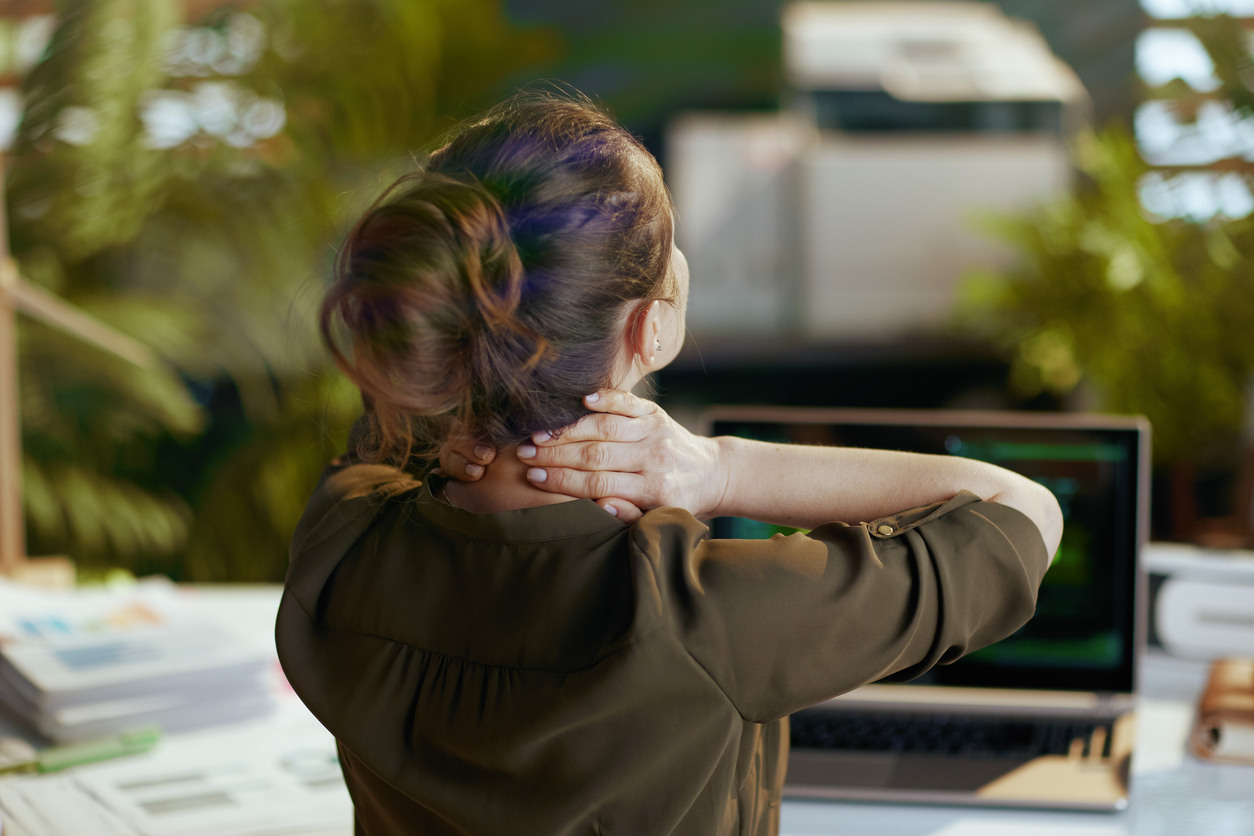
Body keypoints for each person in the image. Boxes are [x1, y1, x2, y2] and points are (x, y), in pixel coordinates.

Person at [276, 91, 1063, 836]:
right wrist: (720, 471)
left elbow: (377, 445)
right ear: (649, 330)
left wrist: (463, 416)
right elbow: (1024, 511)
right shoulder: (704, 616)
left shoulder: (343, 539)